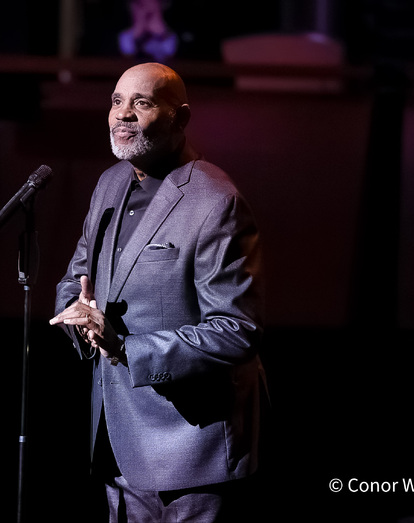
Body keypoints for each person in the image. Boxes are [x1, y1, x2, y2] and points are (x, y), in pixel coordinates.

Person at [50, 62, 267, 522]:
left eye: (142, 102)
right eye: (116, 101)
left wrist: (125, 346)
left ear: (180, 118)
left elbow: (236, 331)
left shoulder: (215, 201)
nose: (123, 114)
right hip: (117, 441)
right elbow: (78, 274)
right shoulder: (110, 182)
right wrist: (76, 311)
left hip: (191, 448)